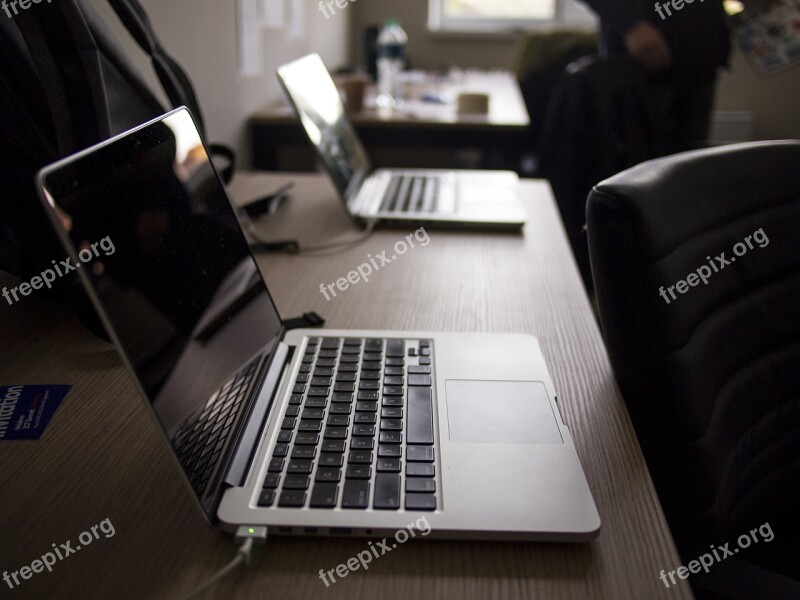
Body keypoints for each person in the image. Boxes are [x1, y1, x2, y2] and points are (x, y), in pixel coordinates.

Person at [582, 0, 731, 153]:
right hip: (639, 67)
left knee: (689, 165)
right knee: (633, 166)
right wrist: (630, 23)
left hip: (700, 62)